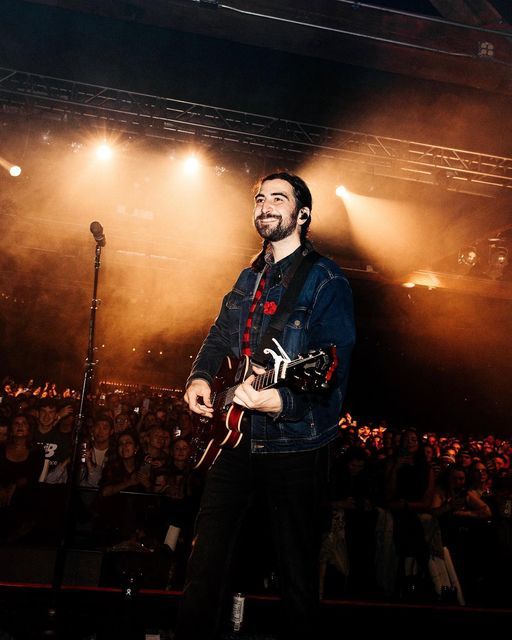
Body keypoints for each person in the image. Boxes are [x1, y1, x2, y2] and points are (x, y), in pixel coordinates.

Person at [176, 172, 355, 640]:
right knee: (205, 561)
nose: (265, 205)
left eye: (279, 198)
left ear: (303, 214)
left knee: (295, 574)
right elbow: (219, 334)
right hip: (234, 439)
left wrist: (282, 398)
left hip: (295, 446)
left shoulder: (325, 279)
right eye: (259, 198)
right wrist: (199, 374)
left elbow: (332, 365)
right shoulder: (249, 275)